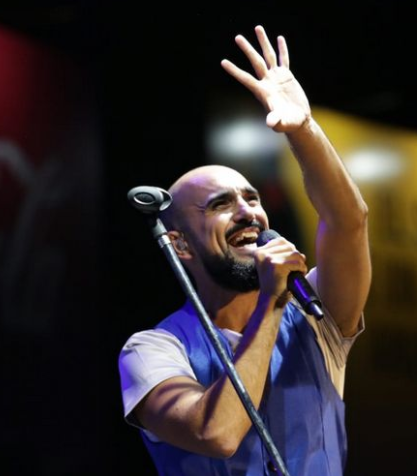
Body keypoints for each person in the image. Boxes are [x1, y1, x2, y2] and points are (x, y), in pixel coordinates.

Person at [118, 25, 371, 475]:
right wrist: (271, 303)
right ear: (179, 244)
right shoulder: (152, 350)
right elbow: (217, 434)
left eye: (252, 199)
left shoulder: (315, 319)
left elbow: (348, 223)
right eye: (221, 205)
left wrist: (304, 130)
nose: (247, 212)